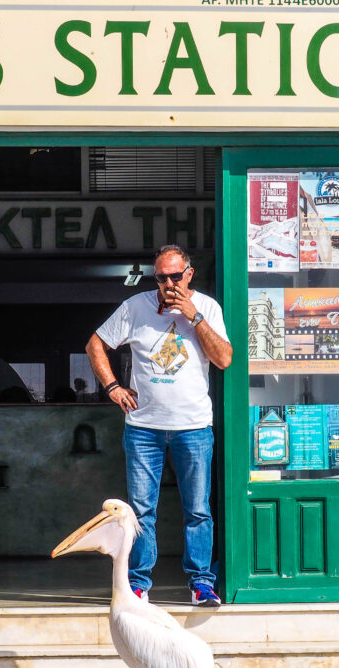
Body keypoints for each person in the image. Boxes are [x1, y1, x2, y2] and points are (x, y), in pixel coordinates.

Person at [86, 244, 232, 607]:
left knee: (198, 510)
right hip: (143, 428)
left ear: (189, 274)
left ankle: (201, 584)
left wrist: (194, 317)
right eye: (161, 277)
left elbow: (224, 359)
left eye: (175, 276)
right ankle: (138, 585)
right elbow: (95, 345)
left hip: (193, 427)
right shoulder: (135, 307)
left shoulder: (208, 307)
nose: (169, 284)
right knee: (141, 512)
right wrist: (113, 387)